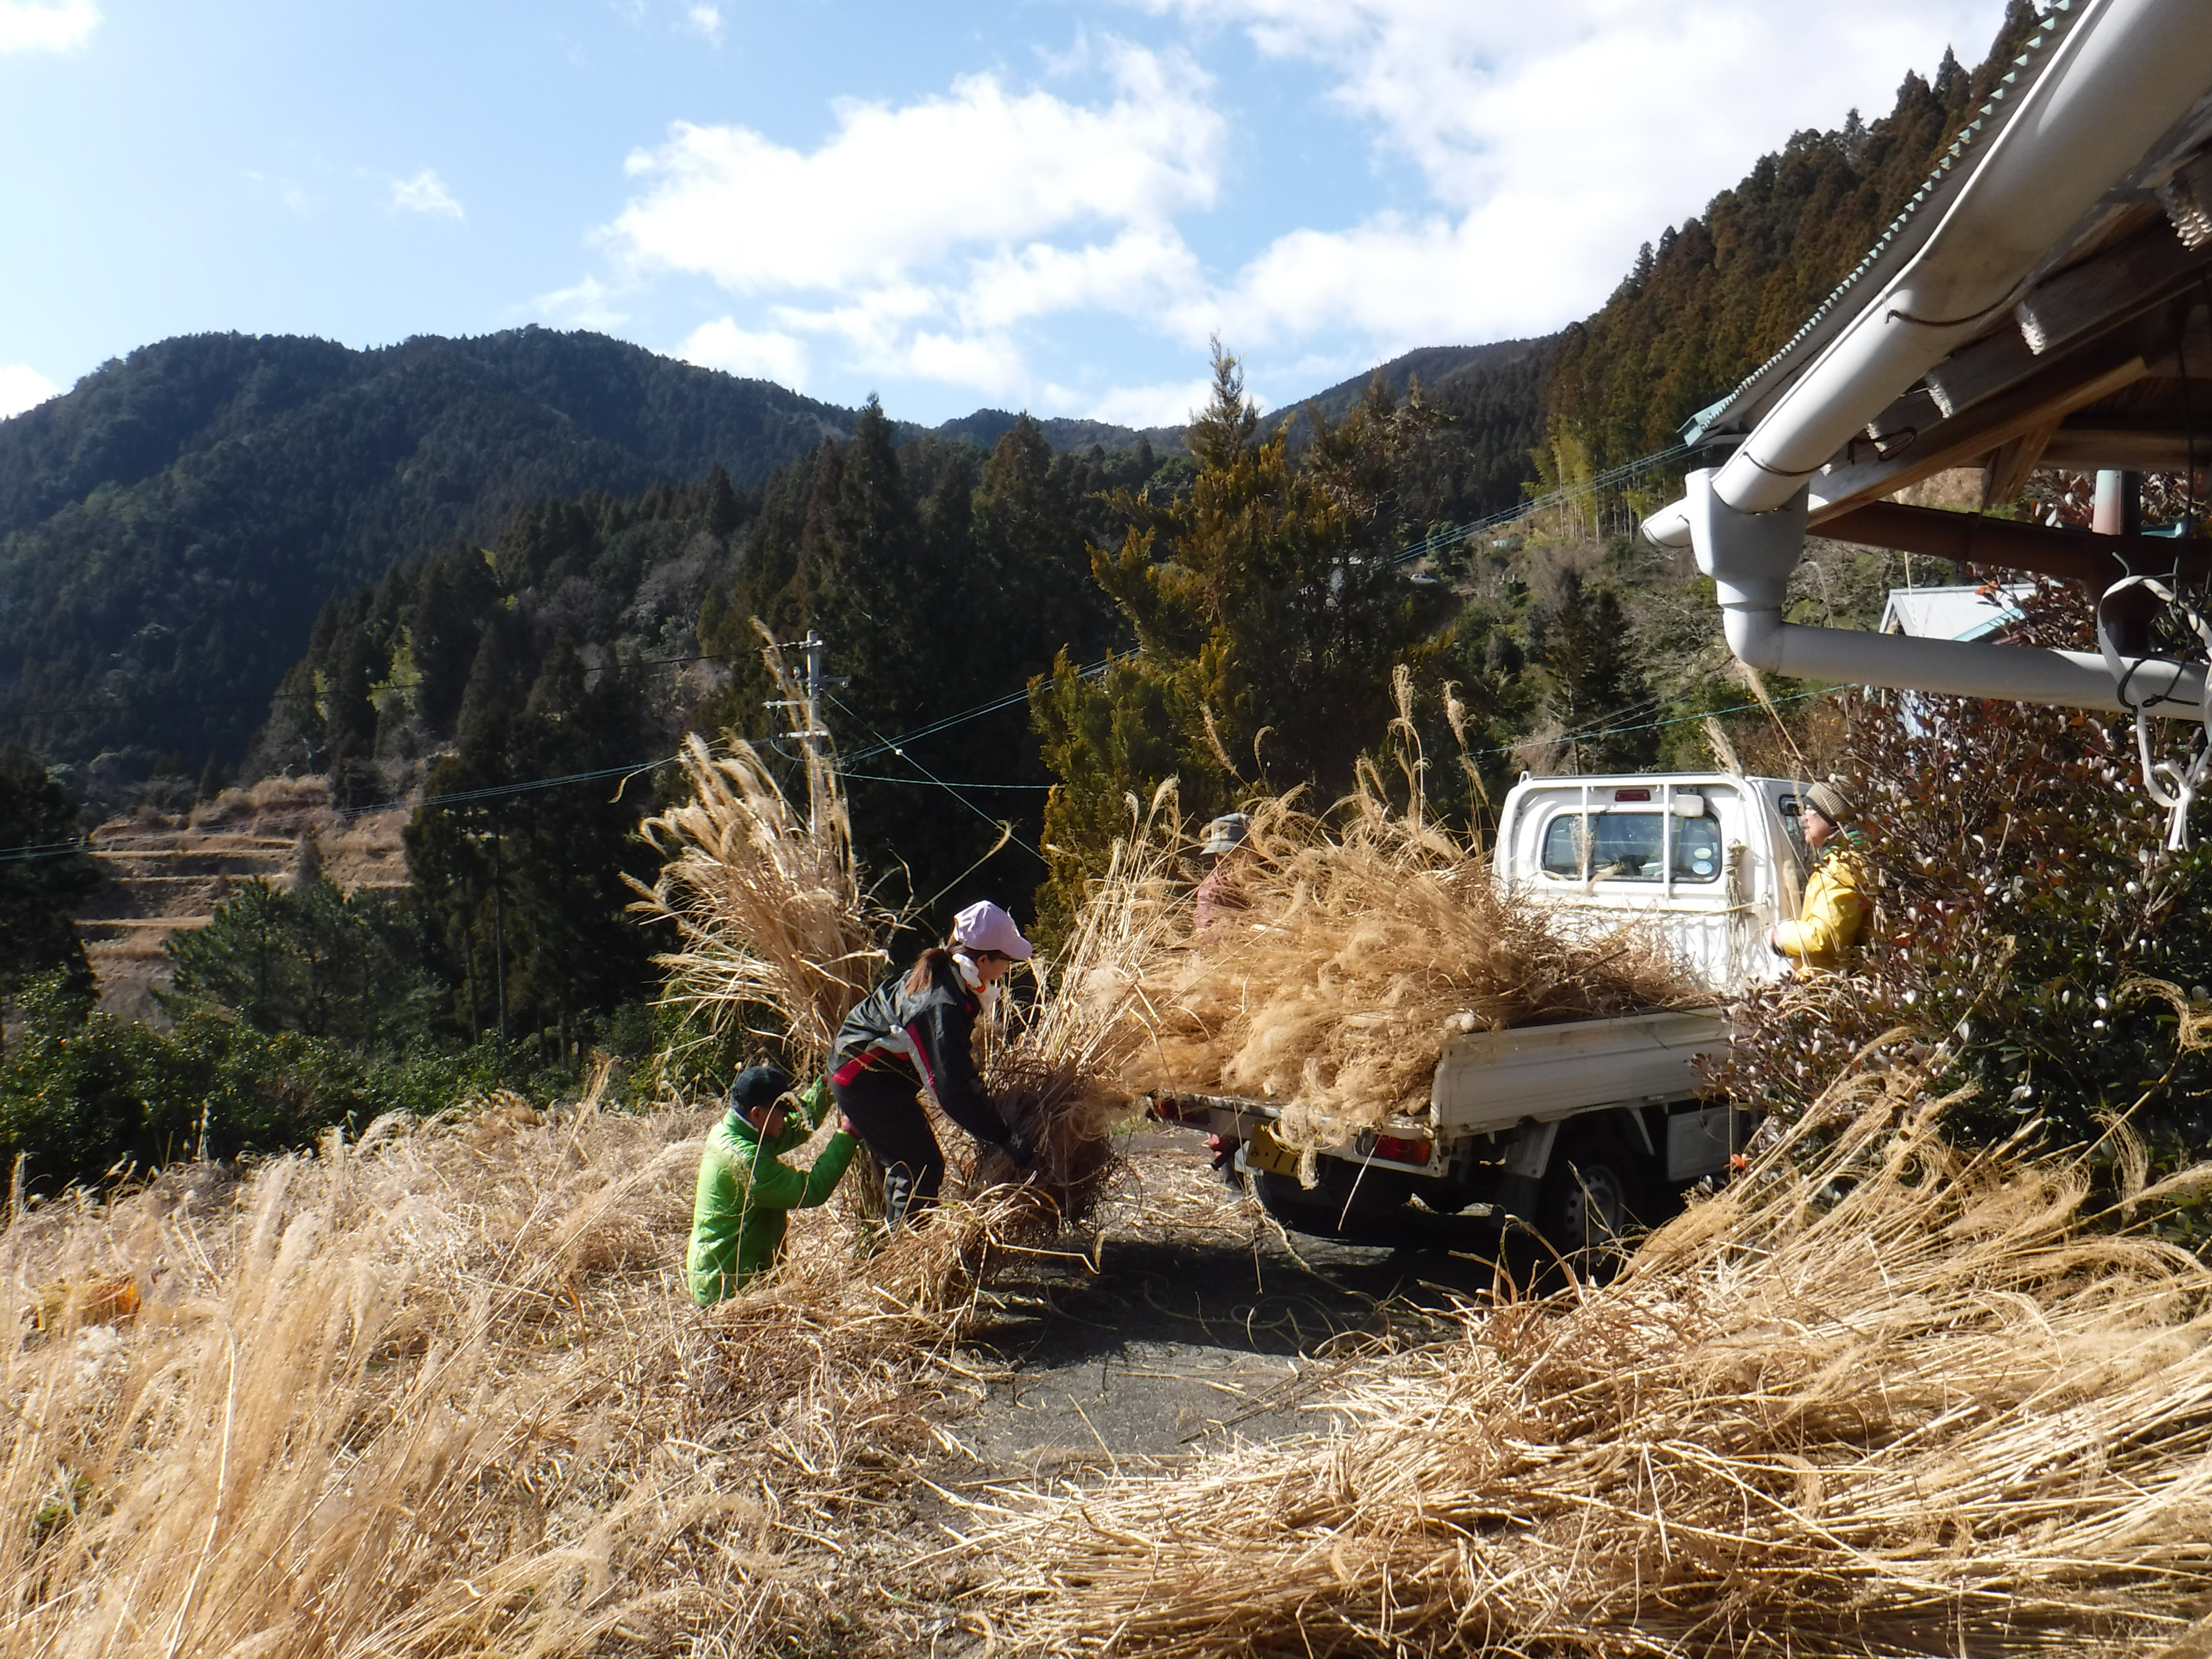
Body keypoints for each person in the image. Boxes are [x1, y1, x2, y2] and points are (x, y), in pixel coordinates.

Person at [829, 899, 1038, 1231]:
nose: (1009, 968)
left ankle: (888, 1241)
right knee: (919, 1165)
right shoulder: (941, 1003)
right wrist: (1004, 1136)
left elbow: (953, 1069)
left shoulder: (952, 978)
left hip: (873, 1075)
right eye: (1008, 960)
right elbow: (951, 1088)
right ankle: (903, 1259)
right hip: (863, 1078)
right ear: (983, 959)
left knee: (910, 1160)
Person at [685, 1063, 858, 1304]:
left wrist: (826, 1088)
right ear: (757, 1113)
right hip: (728, 1289)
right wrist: (848, 1135)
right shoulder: (744, 1160)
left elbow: (797, 1128)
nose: (787, 1116)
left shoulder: (737, 1130)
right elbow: (811, 1190)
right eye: (781, 1111)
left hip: (729, 1275)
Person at [1770, 781, 1873, 973]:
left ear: (1832, 817)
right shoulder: (1841, 860)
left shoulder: (1843, 867)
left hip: (1830, 984)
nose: (1804, 818)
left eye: (1810, 809)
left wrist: (1782, 936)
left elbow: (1824, 938)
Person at [1193, 812, 1254, 937]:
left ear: (1253, 848)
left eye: (1232, 854)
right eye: (1219, 856)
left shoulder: (1279, 873)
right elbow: (1210, 935)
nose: (1224, 864)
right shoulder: (1212, 892)